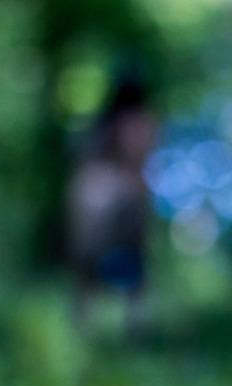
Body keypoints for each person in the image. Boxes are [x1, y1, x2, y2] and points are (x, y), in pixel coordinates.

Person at [66, 78, 155, 338]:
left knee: (101, 267)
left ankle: (123, 330)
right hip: (113, 201)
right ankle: (128, 331)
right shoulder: (139, 121)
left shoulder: (112, 123)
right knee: (103, 267)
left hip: (114, 202)